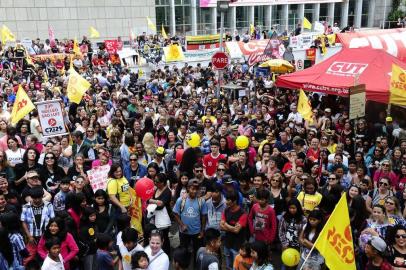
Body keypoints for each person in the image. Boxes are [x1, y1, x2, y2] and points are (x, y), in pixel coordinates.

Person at [172, 179, 207, 263]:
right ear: (188, 188)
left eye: (196, 189)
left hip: (196, 232)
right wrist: (182, 225)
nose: (194, 191)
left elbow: (204, 216)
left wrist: (202, 231)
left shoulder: (201, 201)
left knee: (197, 252)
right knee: (184, 251)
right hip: (184, 232)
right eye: (192, 189)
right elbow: (175, 213)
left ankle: (196, 266)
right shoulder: (181, 200)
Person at [220, 189, 248, 270]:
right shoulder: (226, 210)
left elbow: (237, 230)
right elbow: (221, 226)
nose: (226, 201)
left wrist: (225, 224)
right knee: (228, 265)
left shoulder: (243, 213)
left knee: (237, 266)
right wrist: (231, 227)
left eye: (228, 200)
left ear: (234, 201)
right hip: (227, 243)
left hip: (237, 245)